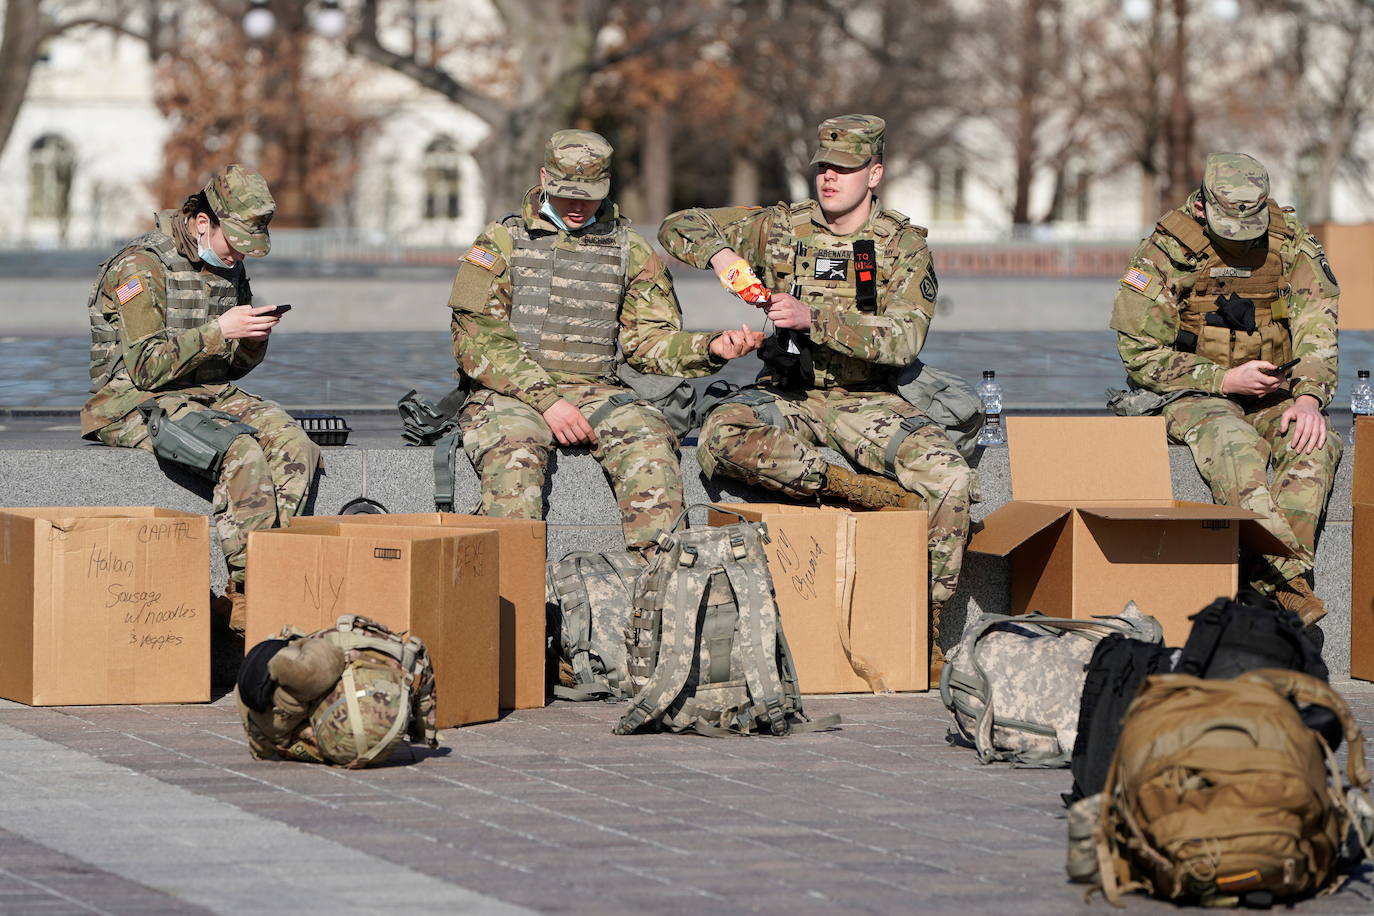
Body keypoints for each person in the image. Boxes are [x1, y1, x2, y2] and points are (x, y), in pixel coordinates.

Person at [657, 114, 976, 684]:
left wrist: (816, 319)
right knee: (722, 434)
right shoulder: (779, 228)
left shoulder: (902, 246)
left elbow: (904, 338)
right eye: (824, 167)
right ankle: (850, 489)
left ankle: (925, 627)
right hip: (787, 393)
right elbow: (679, 224)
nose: (830, 178)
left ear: (873, 173)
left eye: (845, 169)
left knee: (949, 478)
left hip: (867, 400)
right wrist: (722, 258)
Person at [448, 130, 761, 555]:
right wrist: (547, 401)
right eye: (565, 193)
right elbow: (477, 338)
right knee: (514, 461)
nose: (578, 206)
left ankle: (659, 594)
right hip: (511, 393)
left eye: (590, 194)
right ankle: (511, 600)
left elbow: (647, 341)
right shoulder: (502, 240)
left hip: (595, 390)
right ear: (543, 177)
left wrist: (709, 349)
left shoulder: (628, 248)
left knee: (651, 443)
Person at [80, 165, 320, 631]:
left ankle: (269, 582)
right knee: (241, 451)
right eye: (235, 244)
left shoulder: (228, 263)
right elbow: (146, 368)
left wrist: (251, 337)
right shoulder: (140, 266)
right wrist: (217, 331)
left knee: (296, 446)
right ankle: (254, 593)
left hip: (204, 390)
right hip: (133, 401)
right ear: (203, 222)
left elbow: (230, 369)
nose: (237, 258)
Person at [1110, 152, 1341, 623]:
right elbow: (1140, 354)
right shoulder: (1167, 250)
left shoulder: (1290, 241)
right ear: (1204, 205)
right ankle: (1287, 582)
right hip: (1188, 393)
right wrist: (1221, 379)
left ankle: (1264, 580)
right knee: (1233, 442)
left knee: (1314, 443)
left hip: (1270, 390)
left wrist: (1309, 397)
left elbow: (1319, 326)